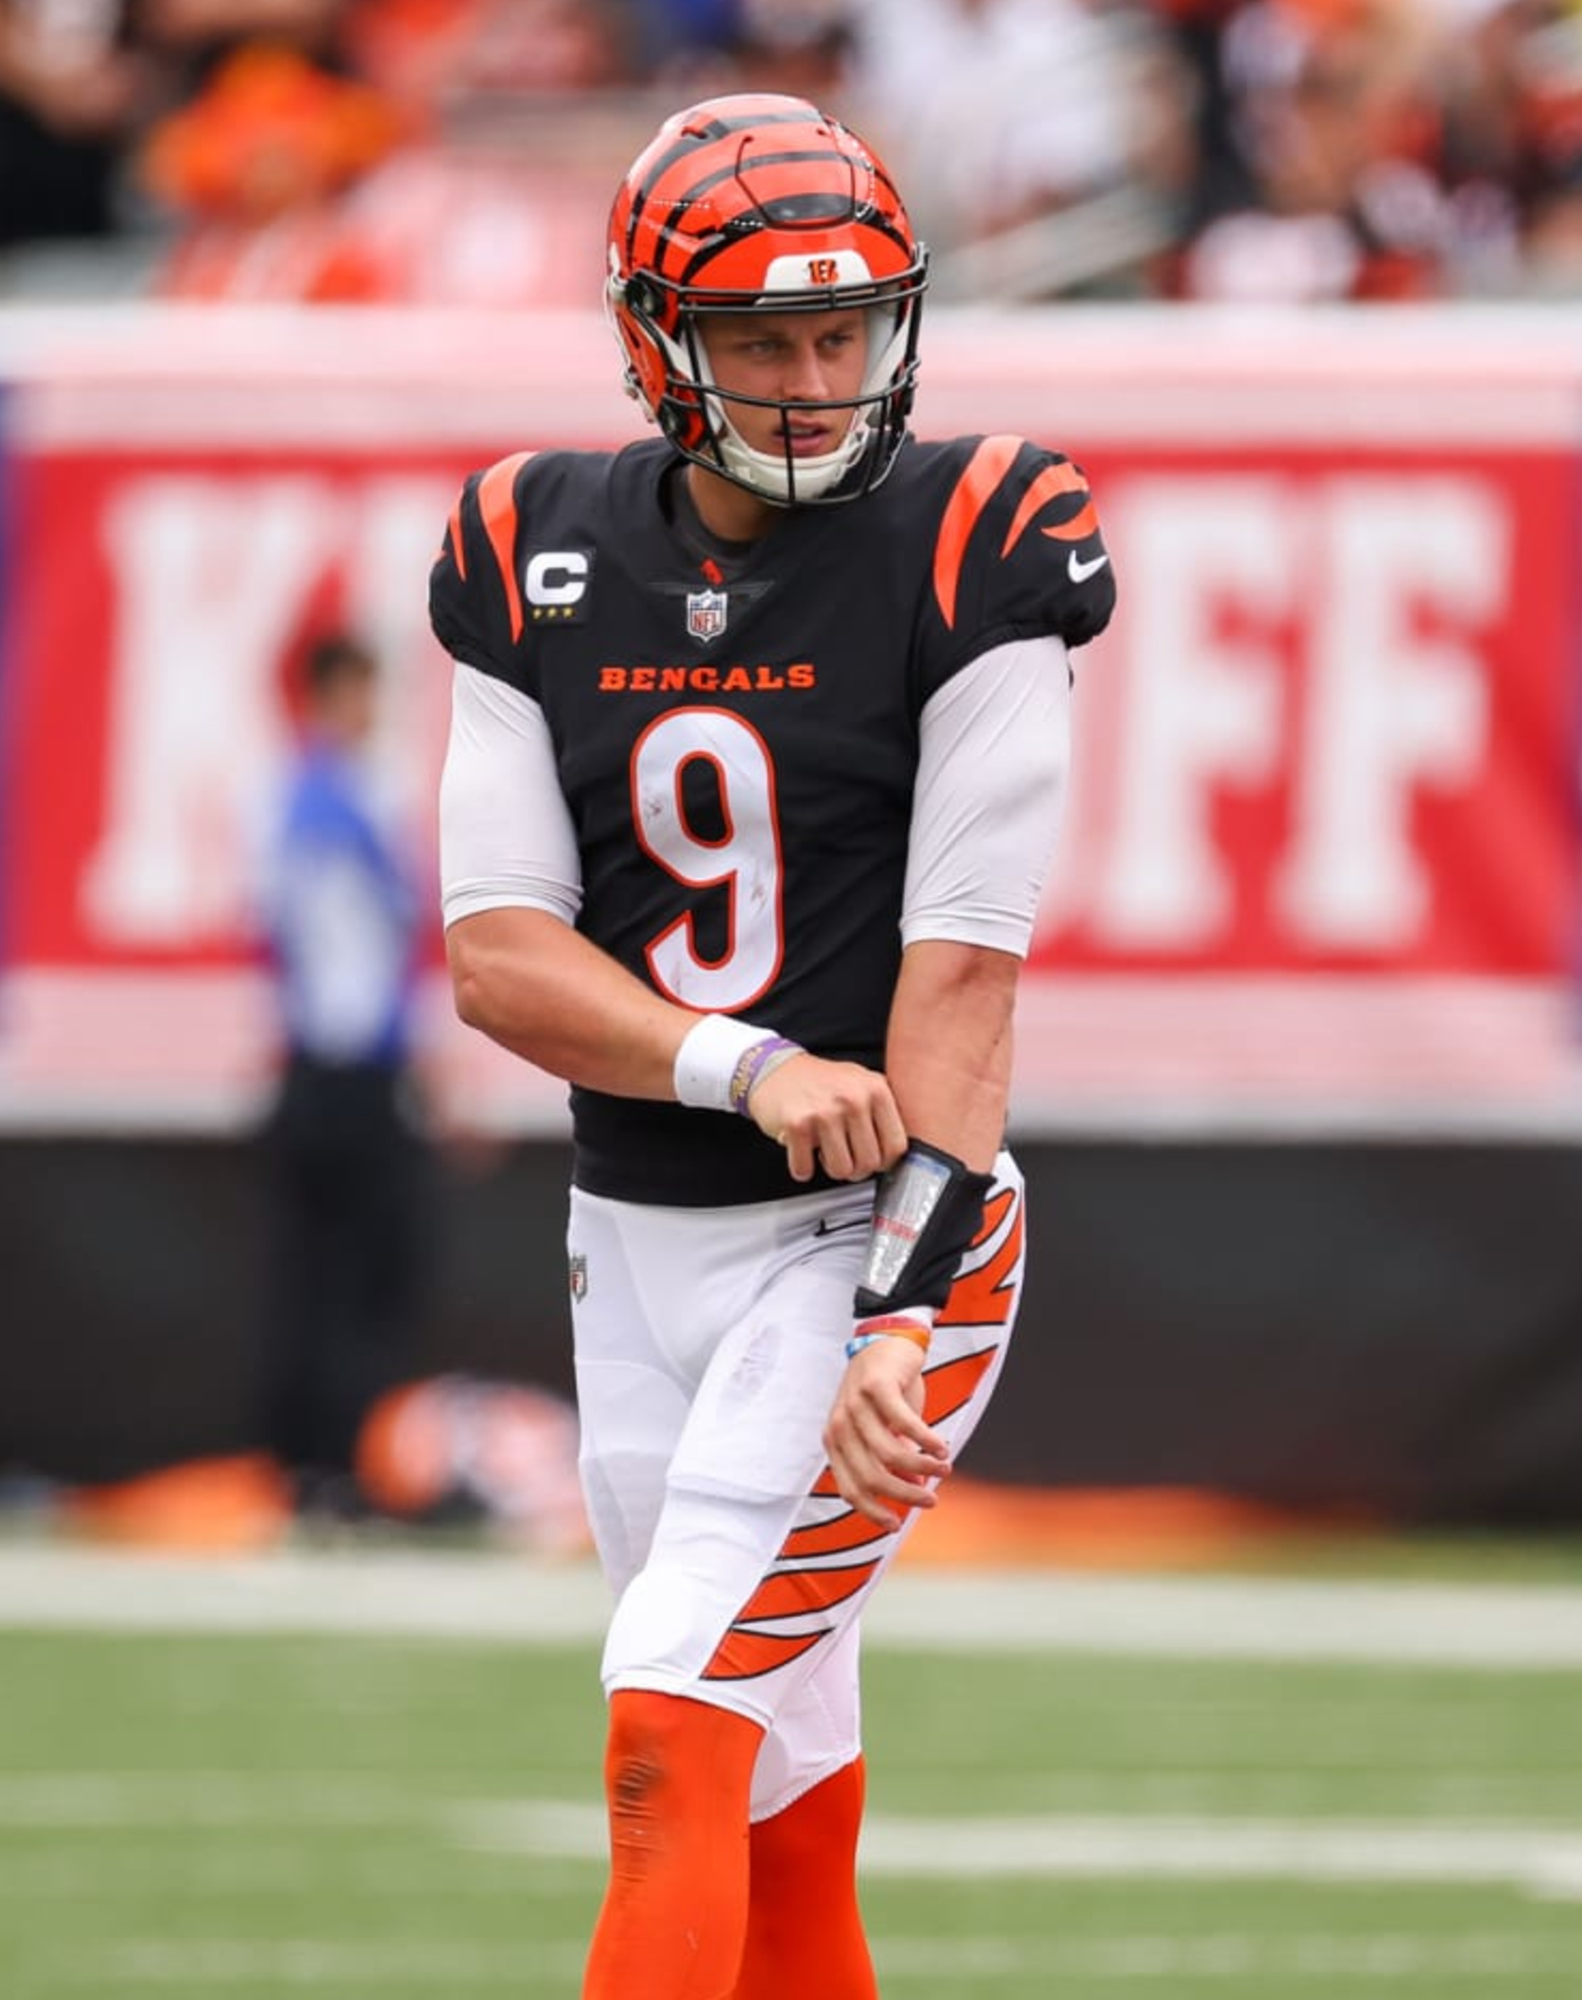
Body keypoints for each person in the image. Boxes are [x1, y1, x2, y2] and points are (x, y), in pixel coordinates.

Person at [427, 93, 1108, 2000]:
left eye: (841, 333)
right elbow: (499, 959)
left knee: (666, 1726)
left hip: (873, 1244)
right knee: (781, 1782)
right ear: (658, 342)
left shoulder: (983, 540)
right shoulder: (527, 543)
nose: (812, 383)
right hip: (630, 1238)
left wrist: (906, 1307)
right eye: (759, 340)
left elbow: (964, 991)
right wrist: (742, 1064)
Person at [259, 630, 432, 1524]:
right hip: (351, 1078)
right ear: (327, 697)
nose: (372, 713)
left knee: (314, 1278)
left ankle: (309, 1467)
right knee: (356, 1280)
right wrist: (420, 1072)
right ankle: (335, 1471)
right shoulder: (340, 807)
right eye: (362, 694)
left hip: (311, 1075)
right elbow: (359, 972)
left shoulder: (284, 799)